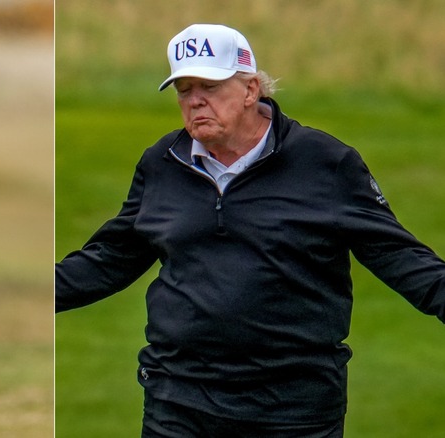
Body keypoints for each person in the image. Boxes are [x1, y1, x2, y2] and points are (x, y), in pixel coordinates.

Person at [56, 23, 445, 437]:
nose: (195, 100)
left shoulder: (324, 163)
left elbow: (399, 256)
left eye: (209, 86)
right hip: (178, 401)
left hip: (294, 411)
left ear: (250, 89)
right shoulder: (163, 162)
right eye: (184, 90)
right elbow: (111, 257)